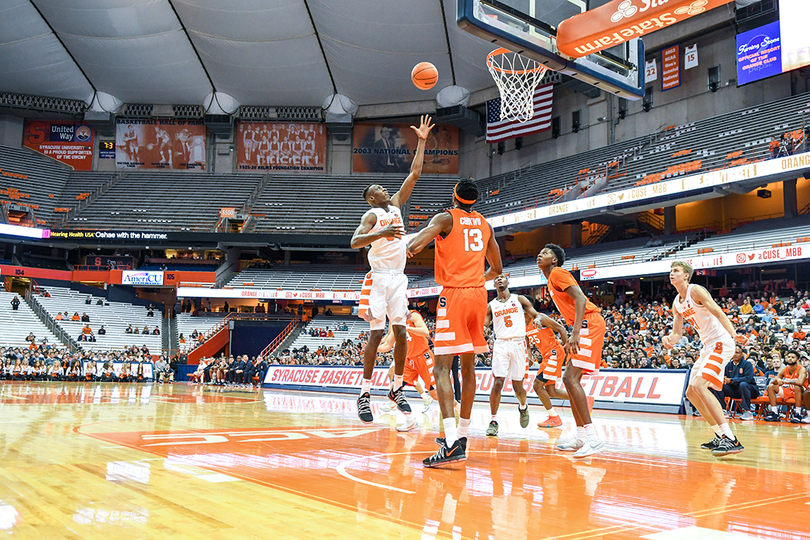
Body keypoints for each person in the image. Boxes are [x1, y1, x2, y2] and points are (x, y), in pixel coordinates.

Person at [406, 178, 502, 467]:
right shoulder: (485, 224)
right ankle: (461, 437)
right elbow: (497, 268)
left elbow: (414, 244)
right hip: (478, 295)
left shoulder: (445, 218)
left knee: (441, 368)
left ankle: (450, 444)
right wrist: (475, 281)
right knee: (469, 367)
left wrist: (409, 243)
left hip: (455, 296)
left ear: (454, 196)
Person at [350, 115, 434, 424]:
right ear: (372, 197)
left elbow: (415, 172)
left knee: (401, 335)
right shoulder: (371, 214)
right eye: (378, 187)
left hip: (399, 278)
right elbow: (355, 241)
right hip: (379, 278)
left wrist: (422, 141)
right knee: (375, 336)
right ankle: (364, 393)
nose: (384, 188)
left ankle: (397, 388)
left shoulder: (397, 205)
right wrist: (380, 235)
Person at [664, 260, 748, 456]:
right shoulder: (677, 302)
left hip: (721, 342)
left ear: (686, 275)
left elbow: (718, 312)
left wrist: (734, 334)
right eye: (671, 271)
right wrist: (669, 340)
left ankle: (731, 439)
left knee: (700, 386)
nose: (671, 273)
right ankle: (719, 434)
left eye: (676, 270)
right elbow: (677, 334)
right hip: (707, 346)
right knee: (691, 393)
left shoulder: (696, 291)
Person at [537, 244, 606, 458]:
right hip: (583, 324)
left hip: (589, 323)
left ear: (555, 260)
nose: (540, 254)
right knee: (568, 380)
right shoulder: (550, 279)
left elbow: (581, 299)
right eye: (540, 252)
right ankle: (580, 437)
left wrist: (575, 332)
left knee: (570, 378)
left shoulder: (557, 273)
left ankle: (592, 438)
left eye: (546, 253)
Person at [483, 274, 543, 436]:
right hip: (501, 344)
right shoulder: (491, 305)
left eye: (502, 278)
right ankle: (493, 420)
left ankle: (523, 406)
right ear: (494, 285)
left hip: (518, 344)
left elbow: (535, 314)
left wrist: (537, 319)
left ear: (508, 282)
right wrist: (484, 328)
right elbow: (485, 323)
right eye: (496, 279)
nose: (499, 280)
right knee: (497, 383)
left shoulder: (520, 299)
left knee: (518, 387)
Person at [378, 309, 437, 431]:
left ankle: (457, 408)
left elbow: (425, 331)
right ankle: (410, 420)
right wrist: (373, 347)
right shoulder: (393, 319)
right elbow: (389, 340)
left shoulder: (413, 315)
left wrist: (407, 328)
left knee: (435, 393)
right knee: (394, 389)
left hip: (423, 356)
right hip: (408, 358)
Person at [526, 313, 570, 428]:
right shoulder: (521, 325)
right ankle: (583, 400)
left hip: (554, 353)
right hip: (546, 356)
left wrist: (568, 350)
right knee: (551, 391)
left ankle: (554, 417)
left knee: (537, 386)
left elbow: (561, 328)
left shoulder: (539, 318)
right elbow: (528, 345)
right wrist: (530, 357)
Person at [763, 350, 807, 422]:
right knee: (771, 386)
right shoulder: (784, 369)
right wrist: (778, 381)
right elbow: (774, 381)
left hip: (802, 393)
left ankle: (798, 414)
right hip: (789, 391)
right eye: (788, 357)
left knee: (797, 387)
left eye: (793, 357)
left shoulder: (802, 369)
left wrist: (786, 381)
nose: (790, 359)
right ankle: (775, 414)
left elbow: (800, 382)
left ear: (797, 360)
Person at [719, 344, 758, 421]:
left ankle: (747, 412)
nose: (735, 354)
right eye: (734, 352)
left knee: (743, 384)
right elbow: (726, 378)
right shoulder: (728, 365)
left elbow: (748, 379)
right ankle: (723, 410)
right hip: (735, 390)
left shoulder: (747, 364)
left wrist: (732, 380)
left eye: (737, 352)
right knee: (719, 386)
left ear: (742, 354)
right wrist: (724, 379)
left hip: (750, 390)